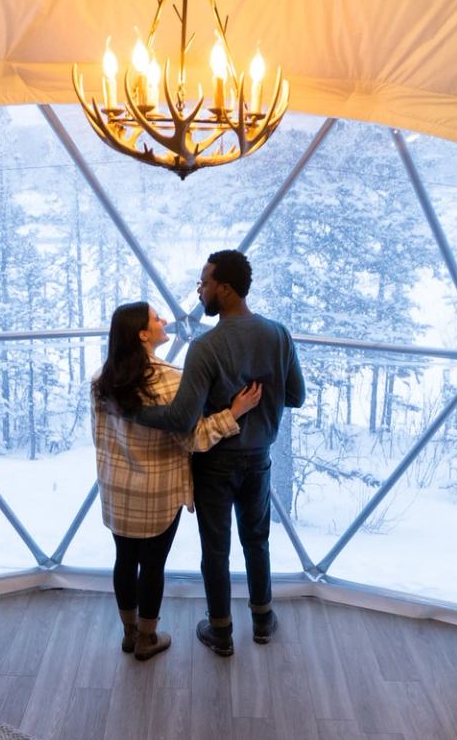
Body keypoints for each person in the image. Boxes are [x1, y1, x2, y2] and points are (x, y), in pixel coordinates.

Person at [129, 250, 305, 657]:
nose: (200, 291)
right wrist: (260, 400)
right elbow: (295, 395)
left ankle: (221, 632)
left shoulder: (206, 347)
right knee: (256, 540)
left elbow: (181, 417)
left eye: (204, 283)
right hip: (259, 458)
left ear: (224, 289)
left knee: (216, 548)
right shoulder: (279, 334)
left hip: (216, 462)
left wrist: (135, 411)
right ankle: (262, 621)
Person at [91, 301, 262, 660]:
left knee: (124, 560)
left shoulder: (101, 380)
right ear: (142, 334)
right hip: (157, 493)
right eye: (156, 318)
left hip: (117, 492)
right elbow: (194, 438)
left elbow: (100, 438)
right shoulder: (168, 380)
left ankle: (129, 633)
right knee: (152, 566)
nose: (164, 320)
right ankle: (147, 640)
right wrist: (234, 413)